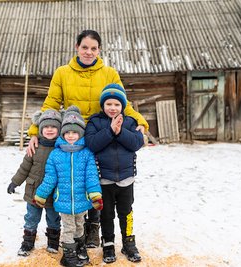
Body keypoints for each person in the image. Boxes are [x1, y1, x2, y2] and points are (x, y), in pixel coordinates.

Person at [26, 29, 149, 248]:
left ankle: (94, 227)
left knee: (96, 179)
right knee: (72, 180)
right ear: (77, 48)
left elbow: (124, 104)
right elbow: (51, 104)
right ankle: (72, 226)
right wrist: (35, 130)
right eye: (85, 47)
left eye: (93, 48)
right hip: (72, 135)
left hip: (101, 133)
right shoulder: (62, 73)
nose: (89, 52)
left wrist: (140, 121)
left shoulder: (109, 73)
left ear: (99, 50)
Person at [34, 106, 103, 267]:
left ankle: (80, 248)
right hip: (64, 201)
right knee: (69, 228)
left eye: (74, 132)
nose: (71, 136)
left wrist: (95, 195)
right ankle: (68, 255)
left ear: (80, 133)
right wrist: (41, 194)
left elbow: (91, 176)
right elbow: (50, 178)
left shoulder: (86, 153)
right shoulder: (56, 154)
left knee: (80, 226)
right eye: (67, 133)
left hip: (82, 200)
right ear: (63, 134)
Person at [85, 84, 144, 263]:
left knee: (126, 212)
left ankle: (128, 242)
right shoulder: (95, 122)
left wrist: (120, 132)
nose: (113, 108)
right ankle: (108, 243)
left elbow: (136, 143)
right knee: (107, 214)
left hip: (126, 179)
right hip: (104, 179)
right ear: (103, 105)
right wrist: (110, 130)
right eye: (109, 104)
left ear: (123, 106)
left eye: (117, 104)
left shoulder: (130, 122)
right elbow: (92, 143)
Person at [7, 109, 62, 256]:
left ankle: (53, 243)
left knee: (53, 218)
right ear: (40, 129)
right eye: (46, 127)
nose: (49, 130)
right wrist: (15, 182)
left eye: (53, 127)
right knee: (31, 218)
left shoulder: (62, 149)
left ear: (60, 129)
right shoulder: (34, 147)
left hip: (53, 194)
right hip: (34, 190)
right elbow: (24, 168)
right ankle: (27, 243)